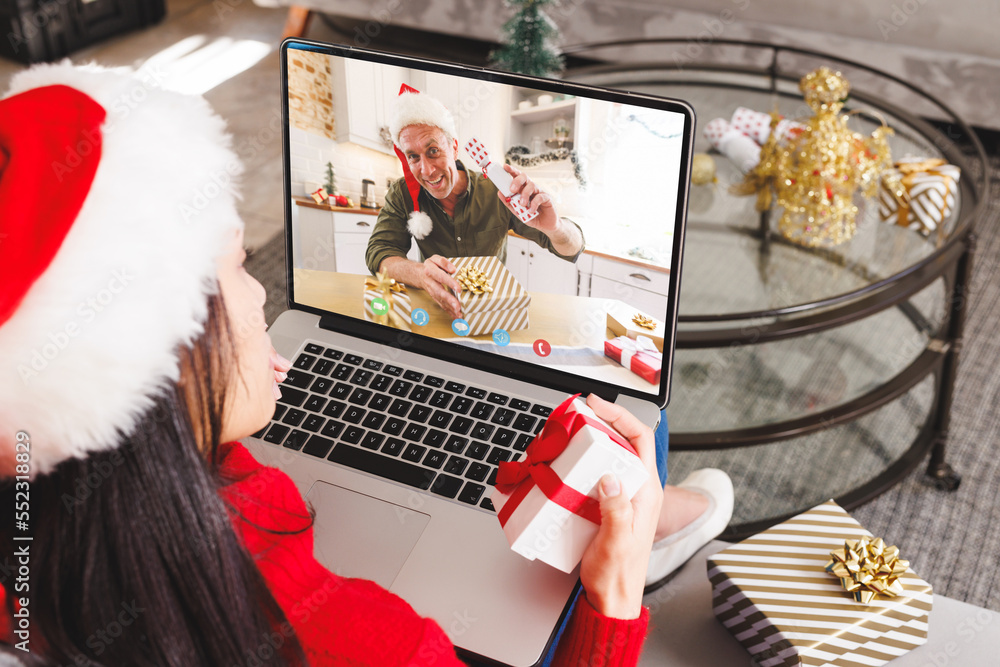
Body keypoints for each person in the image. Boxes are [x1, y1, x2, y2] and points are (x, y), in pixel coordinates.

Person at [0, 63, 730, 666]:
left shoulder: (492, 195)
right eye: (237, 268)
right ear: (158, 363)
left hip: (500, 331)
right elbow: (384, 254)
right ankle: (633, 535)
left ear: (452, 146)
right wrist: (618, 598)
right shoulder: (376, 646)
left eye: (432, 152)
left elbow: (566, 245)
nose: (263, 295)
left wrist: (553, 224)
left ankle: (627, 518)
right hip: (427, 328)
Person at [365, 86, 585, 318]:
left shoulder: (497, 190)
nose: (427, 170)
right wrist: (421, 275)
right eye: (413, 157)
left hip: (491, 311)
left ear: (454, 148)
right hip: (437, 311)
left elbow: (572, 248)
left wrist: (556, 228)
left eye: (433, 151)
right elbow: (379, 252)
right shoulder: (402, 194)